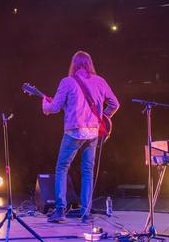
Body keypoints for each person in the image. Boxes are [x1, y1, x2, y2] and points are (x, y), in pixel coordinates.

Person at [42, 51, 119, 223]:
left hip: (74, 132)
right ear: (90, 64)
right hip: (93, 132)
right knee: (87, 172)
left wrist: (44, 105)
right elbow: (115, 103)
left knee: (62, 168)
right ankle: (86, 213)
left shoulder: (67, 82)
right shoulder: (100, 81)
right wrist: (103, 117)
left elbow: (54, 107)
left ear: (73, 65)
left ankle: (60, 210)